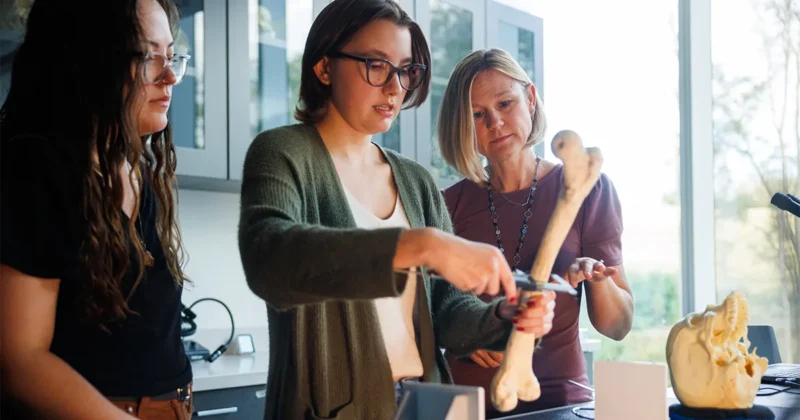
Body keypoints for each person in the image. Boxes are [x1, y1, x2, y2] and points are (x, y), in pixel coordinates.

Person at [237, 1, 557, 418]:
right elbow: (270, 259)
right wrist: (419, 246)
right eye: (376, 65)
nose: (394, 87)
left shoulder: (416, 181)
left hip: (426, 408)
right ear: (324, 68)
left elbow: (447, 310)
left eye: (405, 70)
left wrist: (503, 317)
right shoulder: (282, 153)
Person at [0, 1, 194, 419]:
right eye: (147, 57)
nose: (171, 75)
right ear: (88, 61)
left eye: (171, 54)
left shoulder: (141, 171)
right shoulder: (36, 169)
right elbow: (20, 359)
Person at [436, 48, 634, 418]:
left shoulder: (588, 189)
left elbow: (617, 326)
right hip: (467, 406)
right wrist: (461, 336)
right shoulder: (446, 206)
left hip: (560, 405)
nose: (495, 122)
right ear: (462, 126)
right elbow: (427, 319)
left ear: (530, 98)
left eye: (505, 103)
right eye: (478, 115)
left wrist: (597, 278)